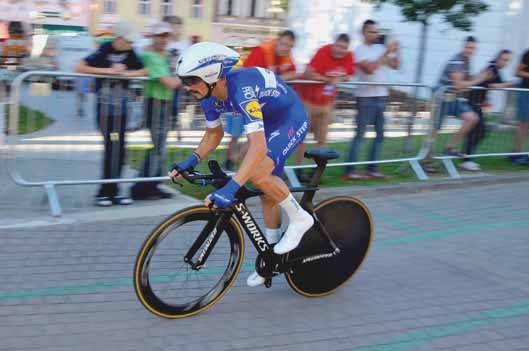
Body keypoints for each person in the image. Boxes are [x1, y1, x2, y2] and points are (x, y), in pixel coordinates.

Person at [169, 42, 313, 287]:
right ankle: (272, 257)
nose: (187, 86)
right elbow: (214, 134)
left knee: (257, 174)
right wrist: (191, 161)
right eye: (184, 80)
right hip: (269, 123)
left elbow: (258, 148)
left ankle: (300, 219)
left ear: (211, 75)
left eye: (191, 80)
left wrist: (231, 188)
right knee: (268, 192)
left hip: (290, 118)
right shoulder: (209, 96)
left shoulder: (240, 90)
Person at [76, 21, 146, 207]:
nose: (131, 45)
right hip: (105, 110)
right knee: (110, 150)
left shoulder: (131, 53)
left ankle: (116, 192)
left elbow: (143, 70)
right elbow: (80, 67)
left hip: (122, 111)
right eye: (129, 41)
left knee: (121, 151)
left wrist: (128, 74)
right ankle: (104, 192)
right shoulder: (104, 50)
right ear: (119, 38)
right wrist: (108, 71)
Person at [224, 30, 298, 171]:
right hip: (243, 97)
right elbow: (248, 75)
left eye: (290, 46)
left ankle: (234, 164)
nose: (286, 48)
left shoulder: (287, 57)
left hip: (264, 104)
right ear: (277, 41)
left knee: (258, 136)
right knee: (235, 134)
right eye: (284, 44)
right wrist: (281, 79)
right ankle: (230, 166)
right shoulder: (261, 52)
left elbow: (293, 73)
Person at [130, 22, 182, 200]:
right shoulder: (151, 56)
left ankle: (152, 185)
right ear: (152, 37)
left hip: (164, 104)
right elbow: (171, 83)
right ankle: (142, 188)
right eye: (160, 36)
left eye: (166, 36)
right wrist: (185, 77)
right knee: (158, 149)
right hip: (156, 104)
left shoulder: (163, 55)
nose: (163, 40)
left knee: (160, 149)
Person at [424, 36, 492, 172]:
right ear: (463, 47)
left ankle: (450, 147)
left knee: (472, 118)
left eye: (472, 48)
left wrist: (481, 78)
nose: (470, 50)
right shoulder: (457, 60)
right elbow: (459, 85)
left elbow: (466, 80)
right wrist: (480, 79)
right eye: (468, 47)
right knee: (435, 131)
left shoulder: (466, 61)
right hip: (441, 98)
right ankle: (427, 162)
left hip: (454, 99)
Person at [344, 20, 400, 180]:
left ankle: (372, 168)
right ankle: (349, 171)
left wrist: (395, 51)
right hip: (365, 97)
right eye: (372, 32)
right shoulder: (359, 50)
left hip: (381, 95)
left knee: (380, 134)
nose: (376, 34)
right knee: (360, 134)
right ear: (364, 32)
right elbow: (369, 69)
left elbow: (395, 65)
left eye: (377, 31)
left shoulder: (381, 48)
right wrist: (386, 53)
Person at [295, 33, 355, 181]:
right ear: (334, 44)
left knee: (322, 139)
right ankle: (299, 171)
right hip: (307, 100)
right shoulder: (323, 51)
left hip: (326, 102)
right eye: (339, 46)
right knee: (300, 137)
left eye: (344, 48)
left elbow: (349, 76)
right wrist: (329, 79)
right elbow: (309, 73)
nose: (341, 50)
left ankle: (316, 173)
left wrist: (339, 79)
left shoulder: (349, 56)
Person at [462, 50, 513, 171]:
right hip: (472, 102)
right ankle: (466, 160)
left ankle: (466, 156)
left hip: (477, 103)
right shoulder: (492, 68)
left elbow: (497, 84)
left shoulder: (496, 70)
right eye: (504, 59)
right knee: (479, 131)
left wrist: (507, 84)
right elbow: (492, 85)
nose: (506, 62)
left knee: (480, 132)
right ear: (498, 58)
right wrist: (509, 84)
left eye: (508, 60)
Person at [163, 15, 191, 139]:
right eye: (173, 27)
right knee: (165, 105)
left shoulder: (185, 44)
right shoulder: (165, 42)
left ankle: (177, 128)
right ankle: (169, 128)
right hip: (165, 79)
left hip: (178, 80)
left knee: (176, 105)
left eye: (178, 27)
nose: (176, 30)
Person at [512, 48, 529, 165]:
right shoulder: (528, 54)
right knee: (523, 124)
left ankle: (521, 153)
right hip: (525, 92)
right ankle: (516, 154)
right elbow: (517, 72)